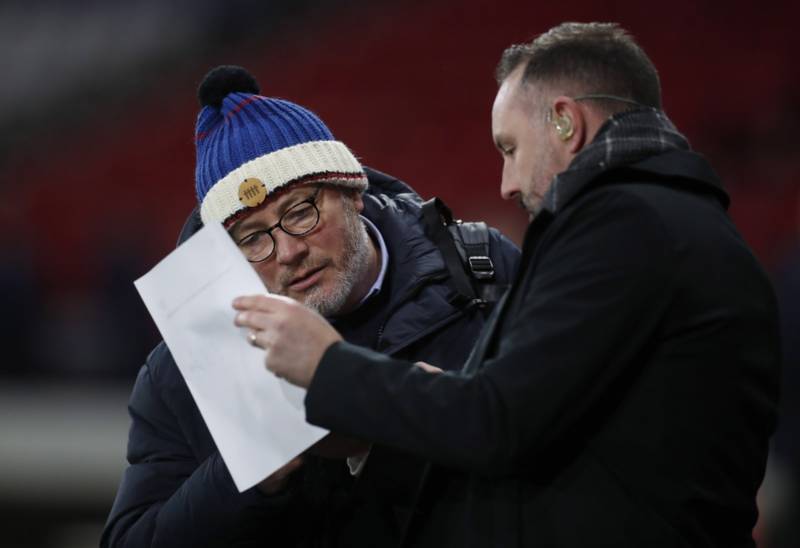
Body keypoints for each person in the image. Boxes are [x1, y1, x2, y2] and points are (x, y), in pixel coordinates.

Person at [237, 22, 782, 547]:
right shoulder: (683, 222)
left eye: (510, 148)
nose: (506, 184)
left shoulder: (622, 223)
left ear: (566, 123)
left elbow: (499, 423)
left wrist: (329, 366)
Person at [100, 66, 520, 548]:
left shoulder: (481, 269)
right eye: (253, 238)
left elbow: (563, 458)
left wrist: (427, 414)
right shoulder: (183, 370)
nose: (287, 252)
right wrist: (255, 469)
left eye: (301, 212)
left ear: (353, 193)